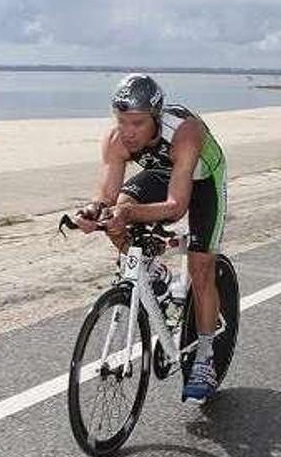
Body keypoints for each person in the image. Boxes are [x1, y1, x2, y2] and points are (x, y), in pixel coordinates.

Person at [75, 74, 227, 403]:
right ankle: (154, 272)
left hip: (201, 182)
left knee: (201, 269)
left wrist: (126, 214)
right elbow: (107, 193)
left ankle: (204, 356)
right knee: (115, 213)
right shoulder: (116, 139)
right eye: (121, 121)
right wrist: (94, 210)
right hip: (161, 174)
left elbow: (175, 206)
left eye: (137, 123)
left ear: (155, 118)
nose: (127, 132)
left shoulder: (184, 133)